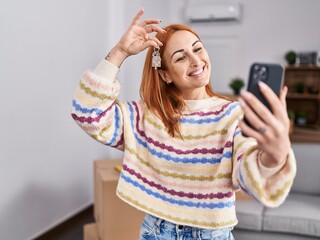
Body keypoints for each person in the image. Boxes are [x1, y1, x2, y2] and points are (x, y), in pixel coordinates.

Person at [71, 8, 296, 240]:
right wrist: (119, 52)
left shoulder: (232, 115)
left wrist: (275, 156)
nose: (196, 60)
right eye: (181, 57)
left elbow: (249, 177)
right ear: (166, 75)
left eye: (198, 48)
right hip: (156, 232)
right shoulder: (145, 116)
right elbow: (87, 113)